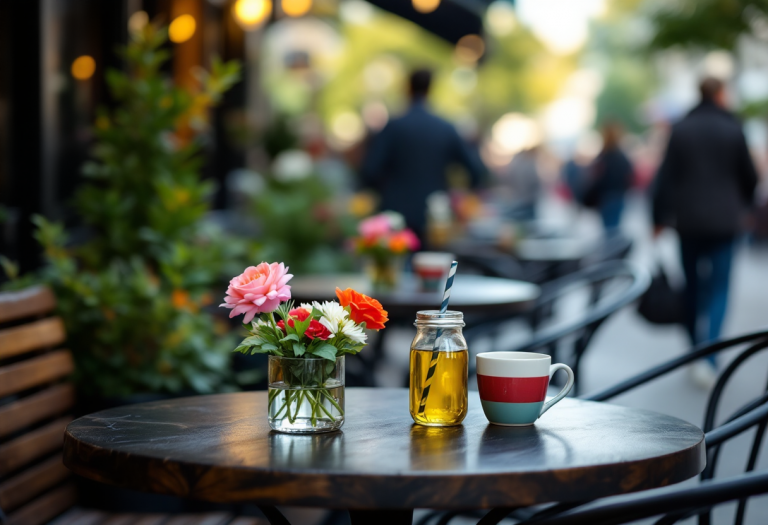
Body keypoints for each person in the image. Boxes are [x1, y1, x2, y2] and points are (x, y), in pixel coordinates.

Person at [653, 77, 758, 387]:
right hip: (725, 221)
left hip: (688, 222)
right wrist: (744, 206)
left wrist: (657, 218)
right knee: (720, 288)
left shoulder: (681, 129)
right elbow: (750, 176)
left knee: (692, 286)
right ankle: (709, 357)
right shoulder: (733, 127)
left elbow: (665, 177)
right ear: (721, 94)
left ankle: (695, 350)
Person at [361, 69, 486, 243]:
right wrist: (461, 199)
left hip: (395, 216)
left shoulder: (393, 127)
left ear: (408, 88)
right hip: (435, 216)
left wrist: (385, 190)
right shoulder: (446, 128)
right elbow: (476, 171)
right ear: (430, 89)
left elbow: (370, 171)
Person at [585, 121, 634, 232]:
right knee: (614, 228)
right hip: (618, 195)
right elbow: (629, 174)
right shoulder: (621, 156)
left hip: (606, 196)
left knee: (609, 229)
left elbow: (597, 177)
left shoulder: (604, 156)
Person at [504, 146, 541, 221]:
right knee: (529, 223)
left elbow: (508, 179)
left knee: (518, 221)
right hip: (528, 199)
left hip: (516, 199)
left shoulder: (514, 163)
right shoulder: (529, 163)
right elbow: (534, 180)